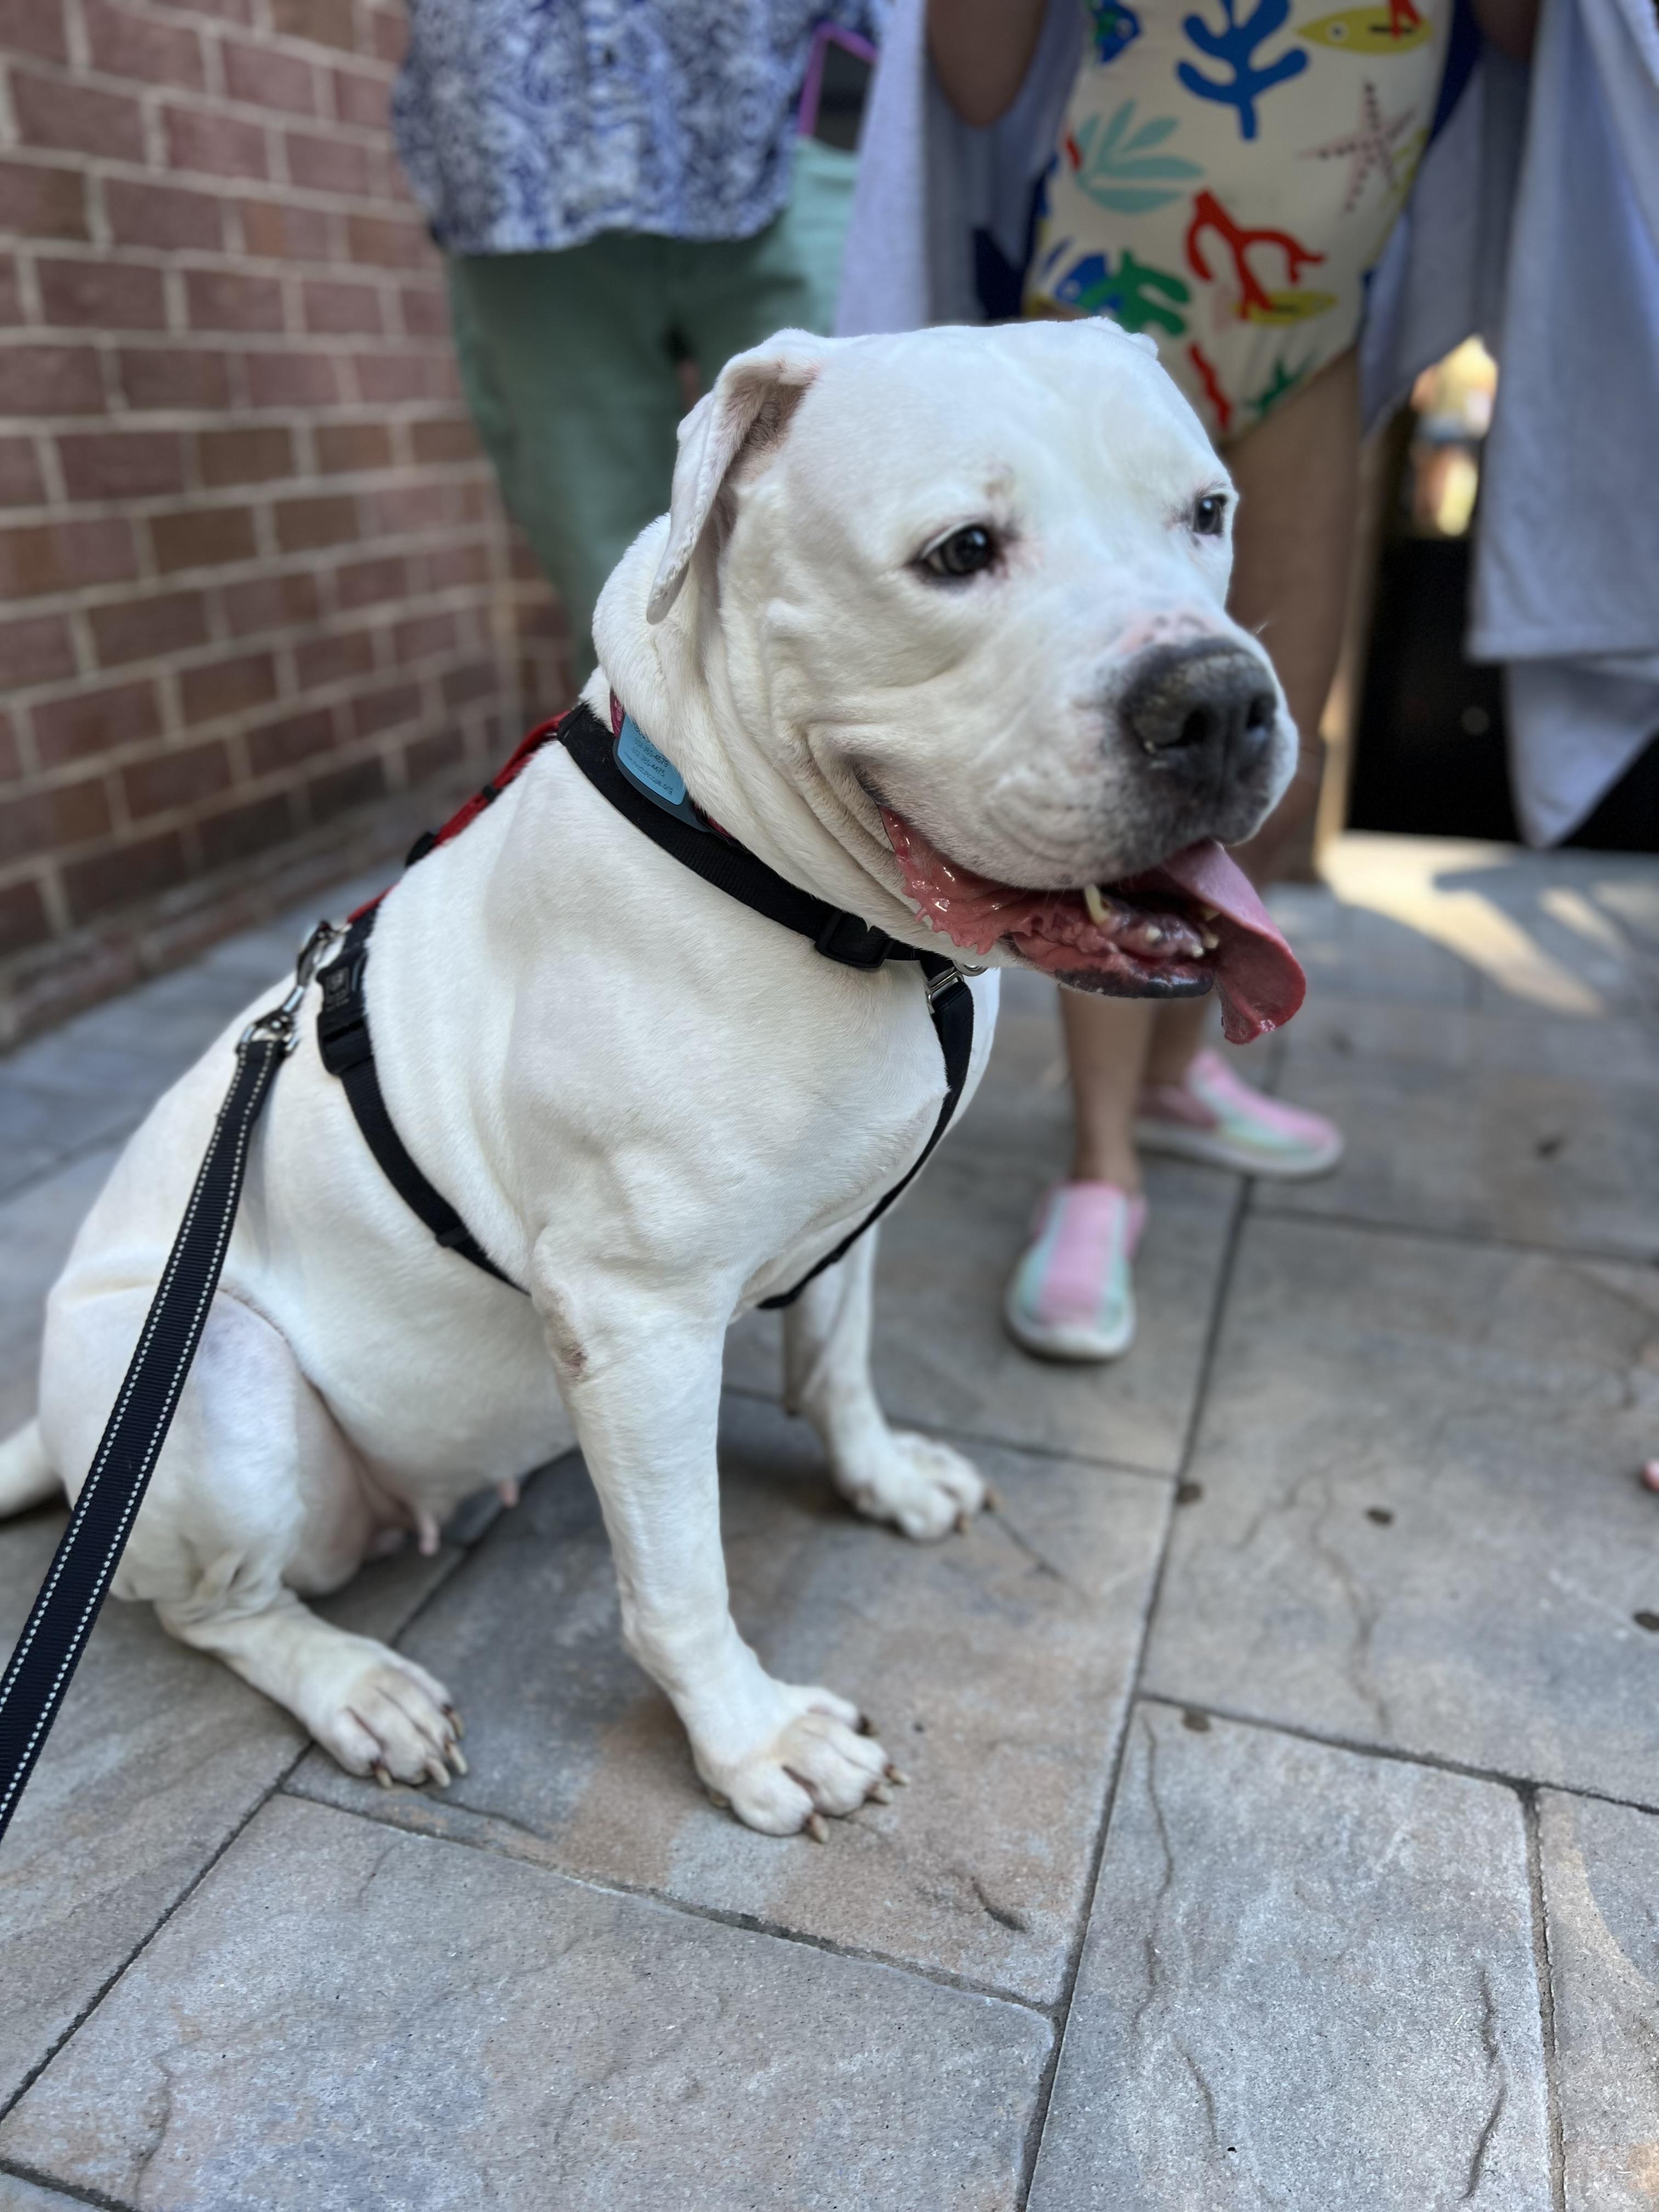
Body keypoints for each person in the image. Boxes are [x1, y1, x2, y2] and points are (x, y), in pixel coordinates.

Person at [841, 0, 1479, 1361]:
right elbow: (973, 76)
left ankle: (1181, 1081)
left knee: (1256, 746)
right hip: (1107, 301)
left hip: (1316, 321)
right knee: (1112, 764)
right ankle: (1097, 1167)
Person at [393, 4, 877, 676]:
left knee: (861, 550)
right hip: (514, 156)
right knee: (612, 602)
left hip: (777, 106)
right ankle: (647, 777)